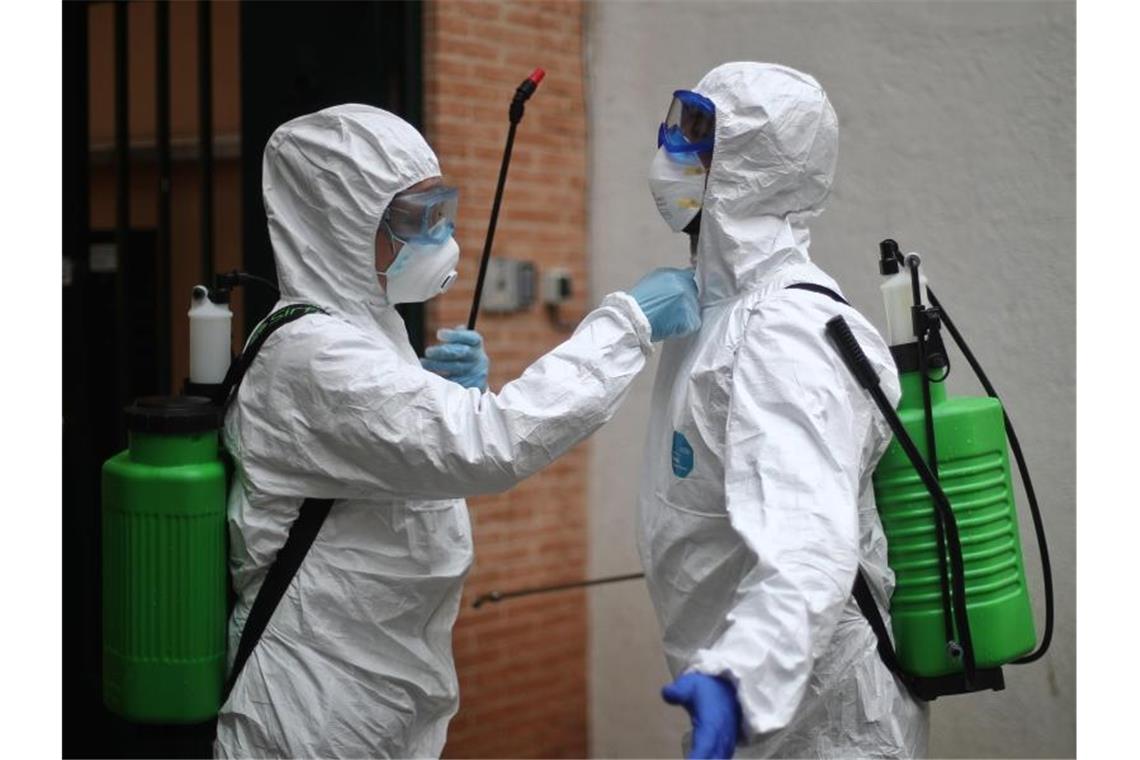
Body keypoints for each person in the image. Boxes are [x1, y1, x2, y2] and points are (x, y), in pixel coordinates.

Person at [214, 103, 700, 758]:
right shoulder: (311, 354)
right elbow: (490, 443)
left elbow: (404, 461)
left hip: (379, 684)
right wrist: (628, 324)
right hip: (310, 704)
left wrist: (445, 393)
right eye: (414, 219)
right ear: (340, 225)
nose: (438, 234)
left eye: (439, 208)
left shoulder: (366, 330)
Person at [639, 62, 930, 758]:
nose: (673, 147)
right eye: (680, 122)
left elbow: (811, 542)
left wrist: (738, 679)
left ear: (750, 168)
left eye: (699, 132)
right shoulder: (721, 314)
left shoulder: (782, 331)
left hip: (827, 725)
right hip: (774, 712)